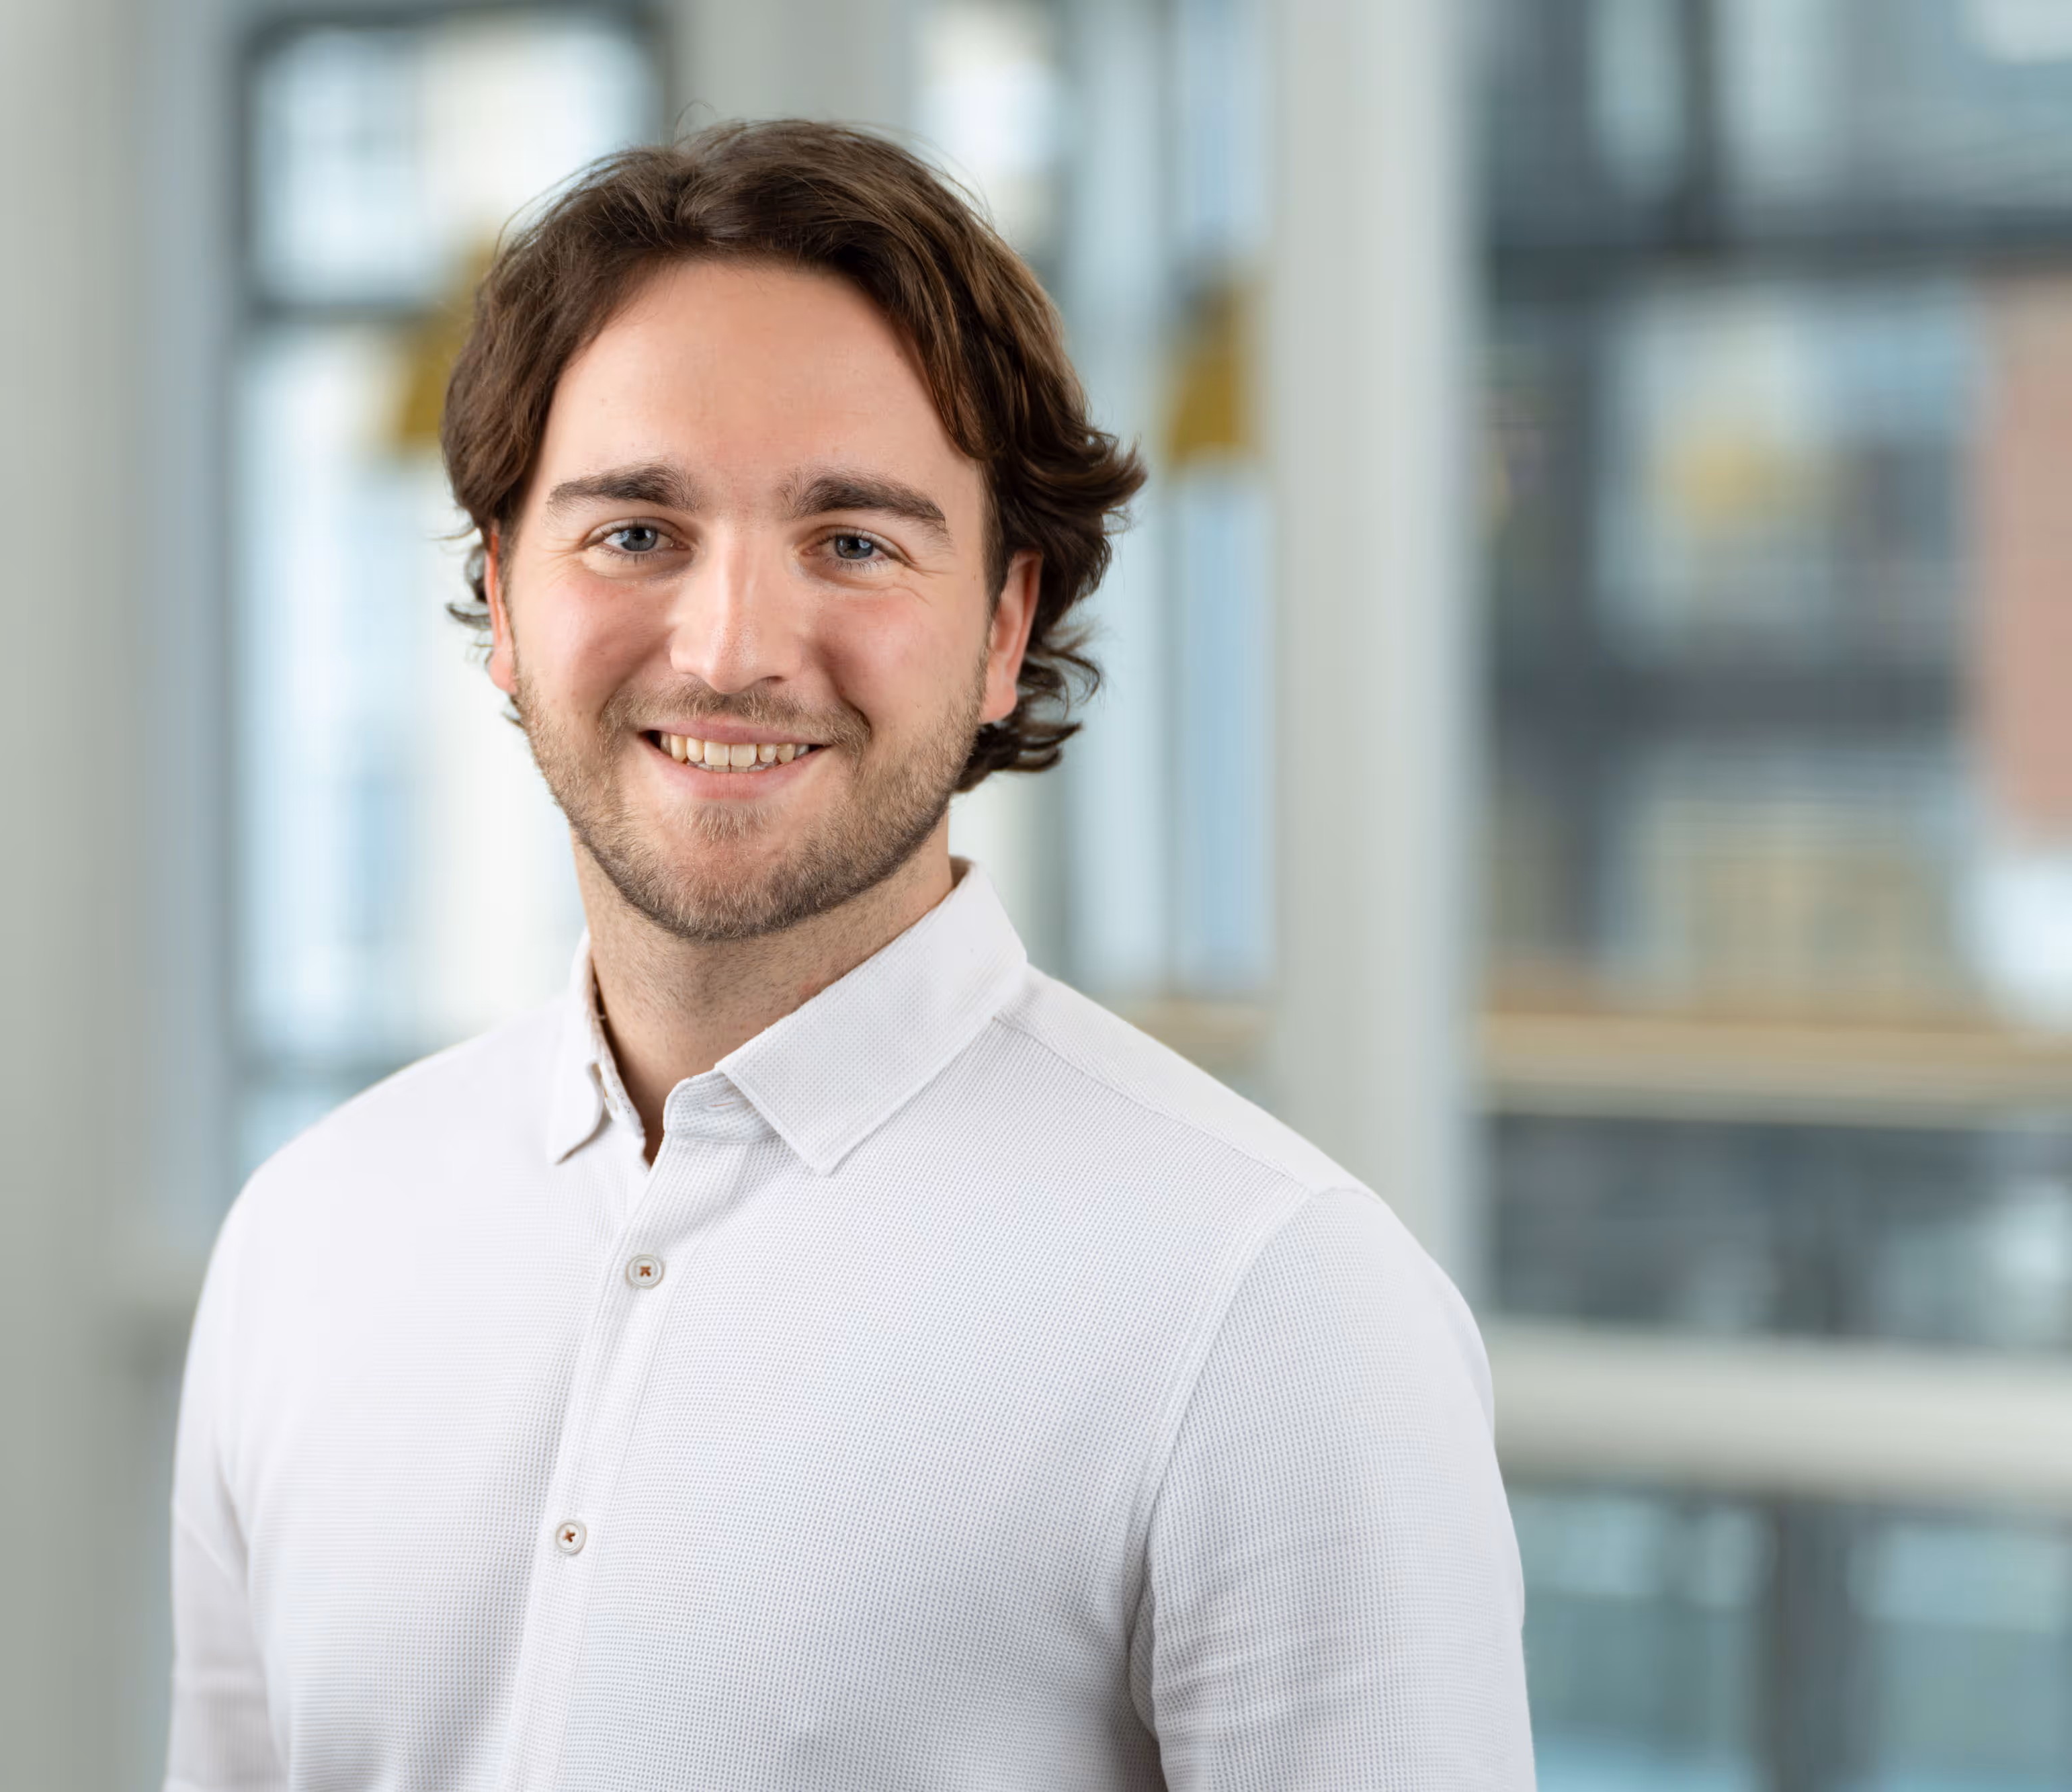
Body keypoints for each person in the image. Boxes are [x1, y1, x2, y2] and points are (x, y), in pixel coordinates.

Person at [166, 120, 1533, 1791]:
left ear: (1005, 626)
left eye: (855, 541)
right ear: (502, 604)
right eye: (632, 531)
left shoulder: (1274, 1309)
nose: (732, 646)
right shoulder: (306, 1237)